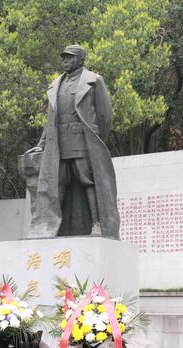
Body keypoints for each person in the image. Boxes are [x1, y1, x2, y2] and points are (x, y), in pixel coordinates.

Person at [26, 45, 120, 238]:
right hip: (58, 144)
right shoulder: (56, 84)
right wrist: (41, 144)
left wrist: (94, 139)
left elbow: (105, 116)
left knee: (87, 180)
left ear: (80, 59)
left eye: (69, 57)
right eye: (64, 58)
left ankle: (97, 224)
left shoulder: (94, 81)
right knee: (57, 182)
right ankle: (52, 226)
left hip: (83, 141)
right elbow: (50, 122)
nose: (65, 61)